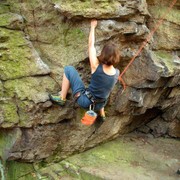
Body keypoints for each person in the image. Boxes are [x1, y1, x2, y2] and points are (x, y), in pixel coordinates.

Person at [49, 19, 120, 120]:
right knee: (104, 88)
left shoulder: (96, 66)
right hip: (100, 104)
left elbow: (91, 46)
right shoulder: (117, 73)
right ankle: (102, 113)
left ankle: (62, 98)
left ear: (104, 53)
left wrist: (92, 27)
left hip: (86, 102)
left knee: (69, 69)